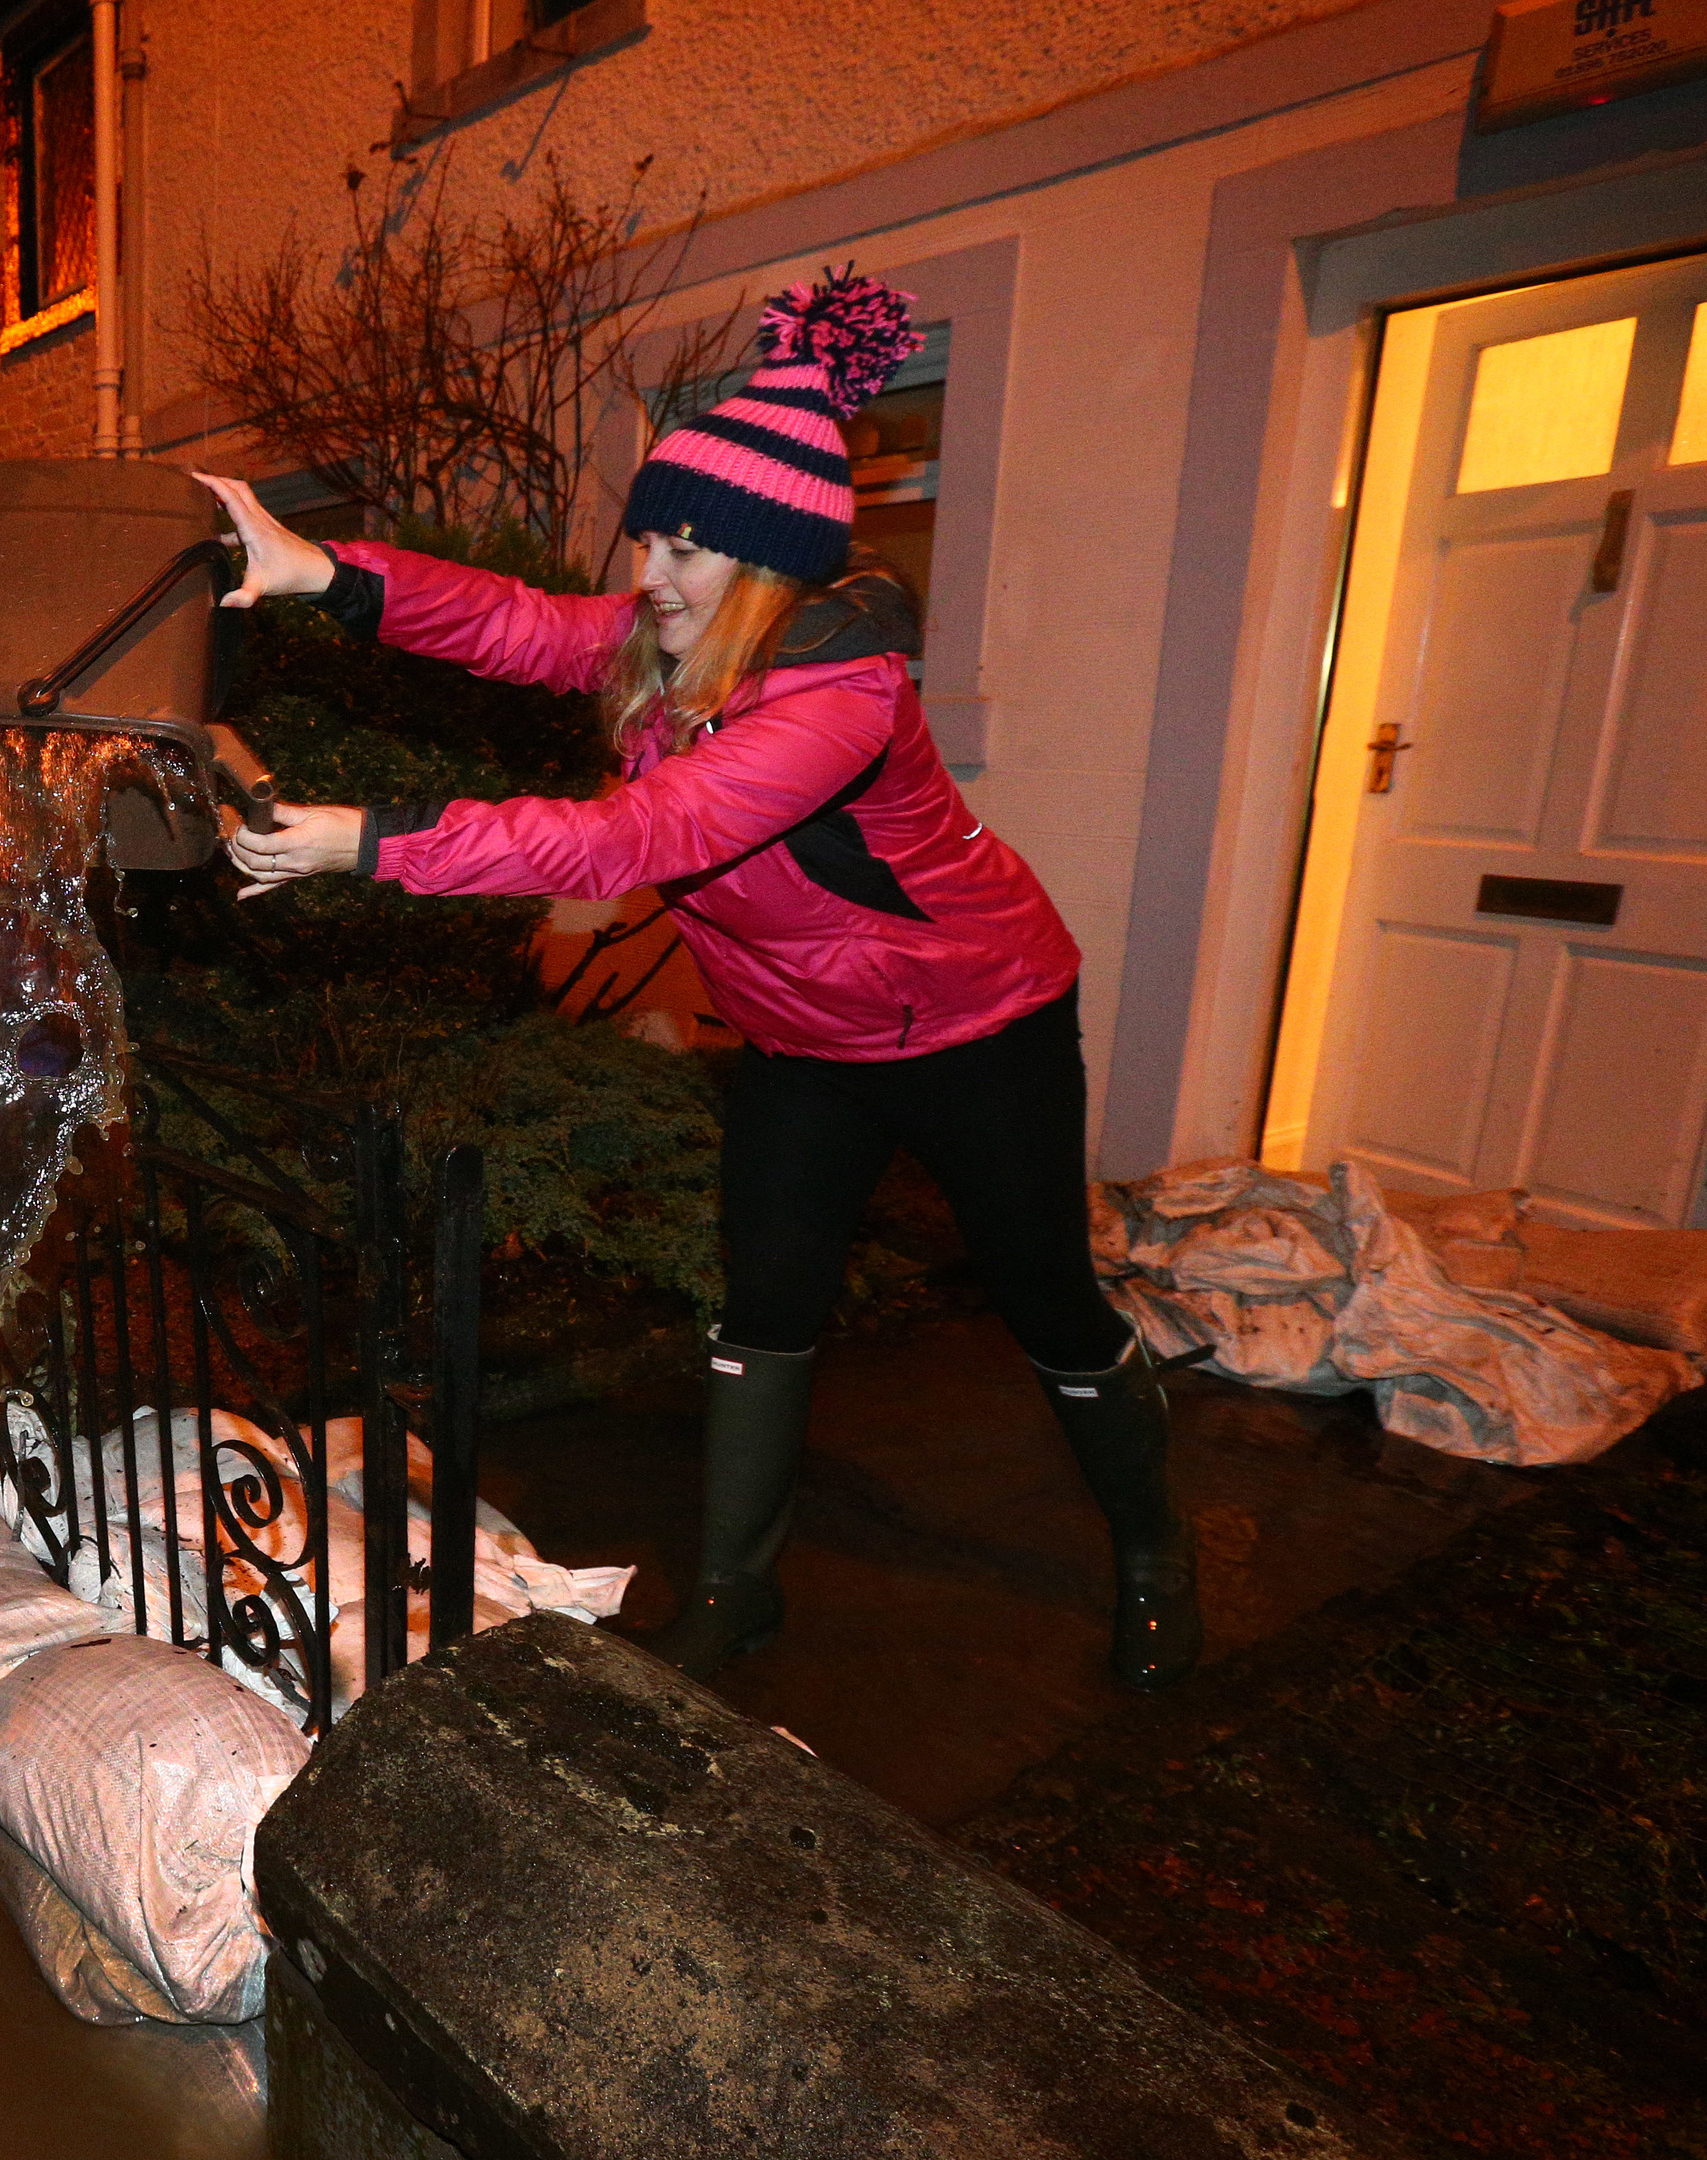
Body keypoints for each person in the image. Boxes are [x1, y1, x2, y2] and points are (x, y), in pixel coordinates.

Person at [203, 269, 1198, 1694]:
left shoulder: (836, 700)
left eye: (689, 553)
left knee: (1044, 1297)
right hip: (804, 1043)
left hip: (973, 1025)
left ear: (773, 571)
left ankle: (1153, 1554)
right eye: (649, 539)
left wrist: (366, 840)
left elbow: (639, 834)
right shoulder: (668, 651)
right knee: (760, 1304)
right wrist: (323, 575)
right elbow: (515, 625)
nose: (650, 577)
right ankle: (735, 1592)